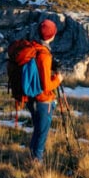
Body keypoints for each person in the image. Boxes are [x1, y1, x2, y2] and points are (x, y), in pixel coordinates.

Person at [27, 18, 63, 162]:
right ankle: (37, 162)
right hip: (43, 100)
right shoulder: (44, 55)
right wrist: (58, 79)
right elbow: (47, 85)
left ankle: (32, 158)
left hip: (32, 97)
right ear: (52, 35)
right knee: (42, 132)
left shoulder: (34, 47)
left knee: (37, 129)